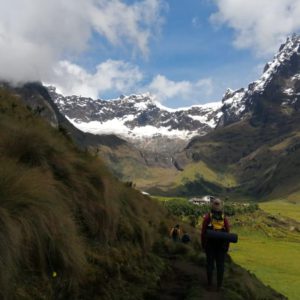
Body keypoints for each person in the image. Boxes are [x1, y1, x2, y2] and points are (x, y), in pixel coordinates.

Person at [201, 198, 230, 291]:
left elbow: (203, 232)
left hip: (210, 245)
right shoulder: (224, 218)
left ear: (212, 206)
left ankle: (209, 284)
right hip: (221, 246)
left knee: (210, 264)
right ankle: (219, 286)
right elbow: (228, 232)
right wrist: (227, 246)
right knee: (220, 266)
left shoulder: (207, 217)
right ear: (220, 206)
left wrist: (203, 245)